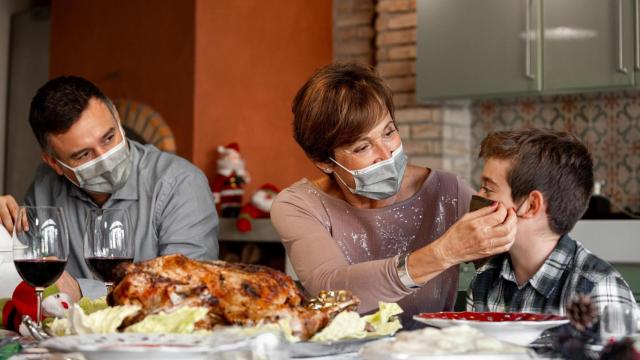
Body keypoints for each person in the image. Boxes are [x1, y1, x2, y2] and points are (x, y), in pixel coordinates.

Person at [271, 62, 518, 326]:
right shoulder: (299, 205)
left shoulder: (448, 192)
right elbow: (332, 291)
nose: (386, 153)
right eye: (362, 147)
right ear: (324, 162)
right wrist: (444, 253)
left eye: (388, 132)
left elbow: (516, 261)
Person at [0, 76, 219, 296]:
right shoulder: (44, 189)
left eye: (108, 137)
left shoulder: (181, 184)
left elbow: (187, 290)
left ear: (115, 115)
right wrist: (2, 230)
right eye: (84, 154)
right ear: (54, 163)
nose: (105, 161)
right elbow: (19, 278)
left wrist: (81, 290)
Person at [467, 129, 636, 314]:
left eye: (487, 189)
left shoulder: (599, 290)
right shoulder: (483, 280)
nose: (477, 196)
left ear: (531, 205)